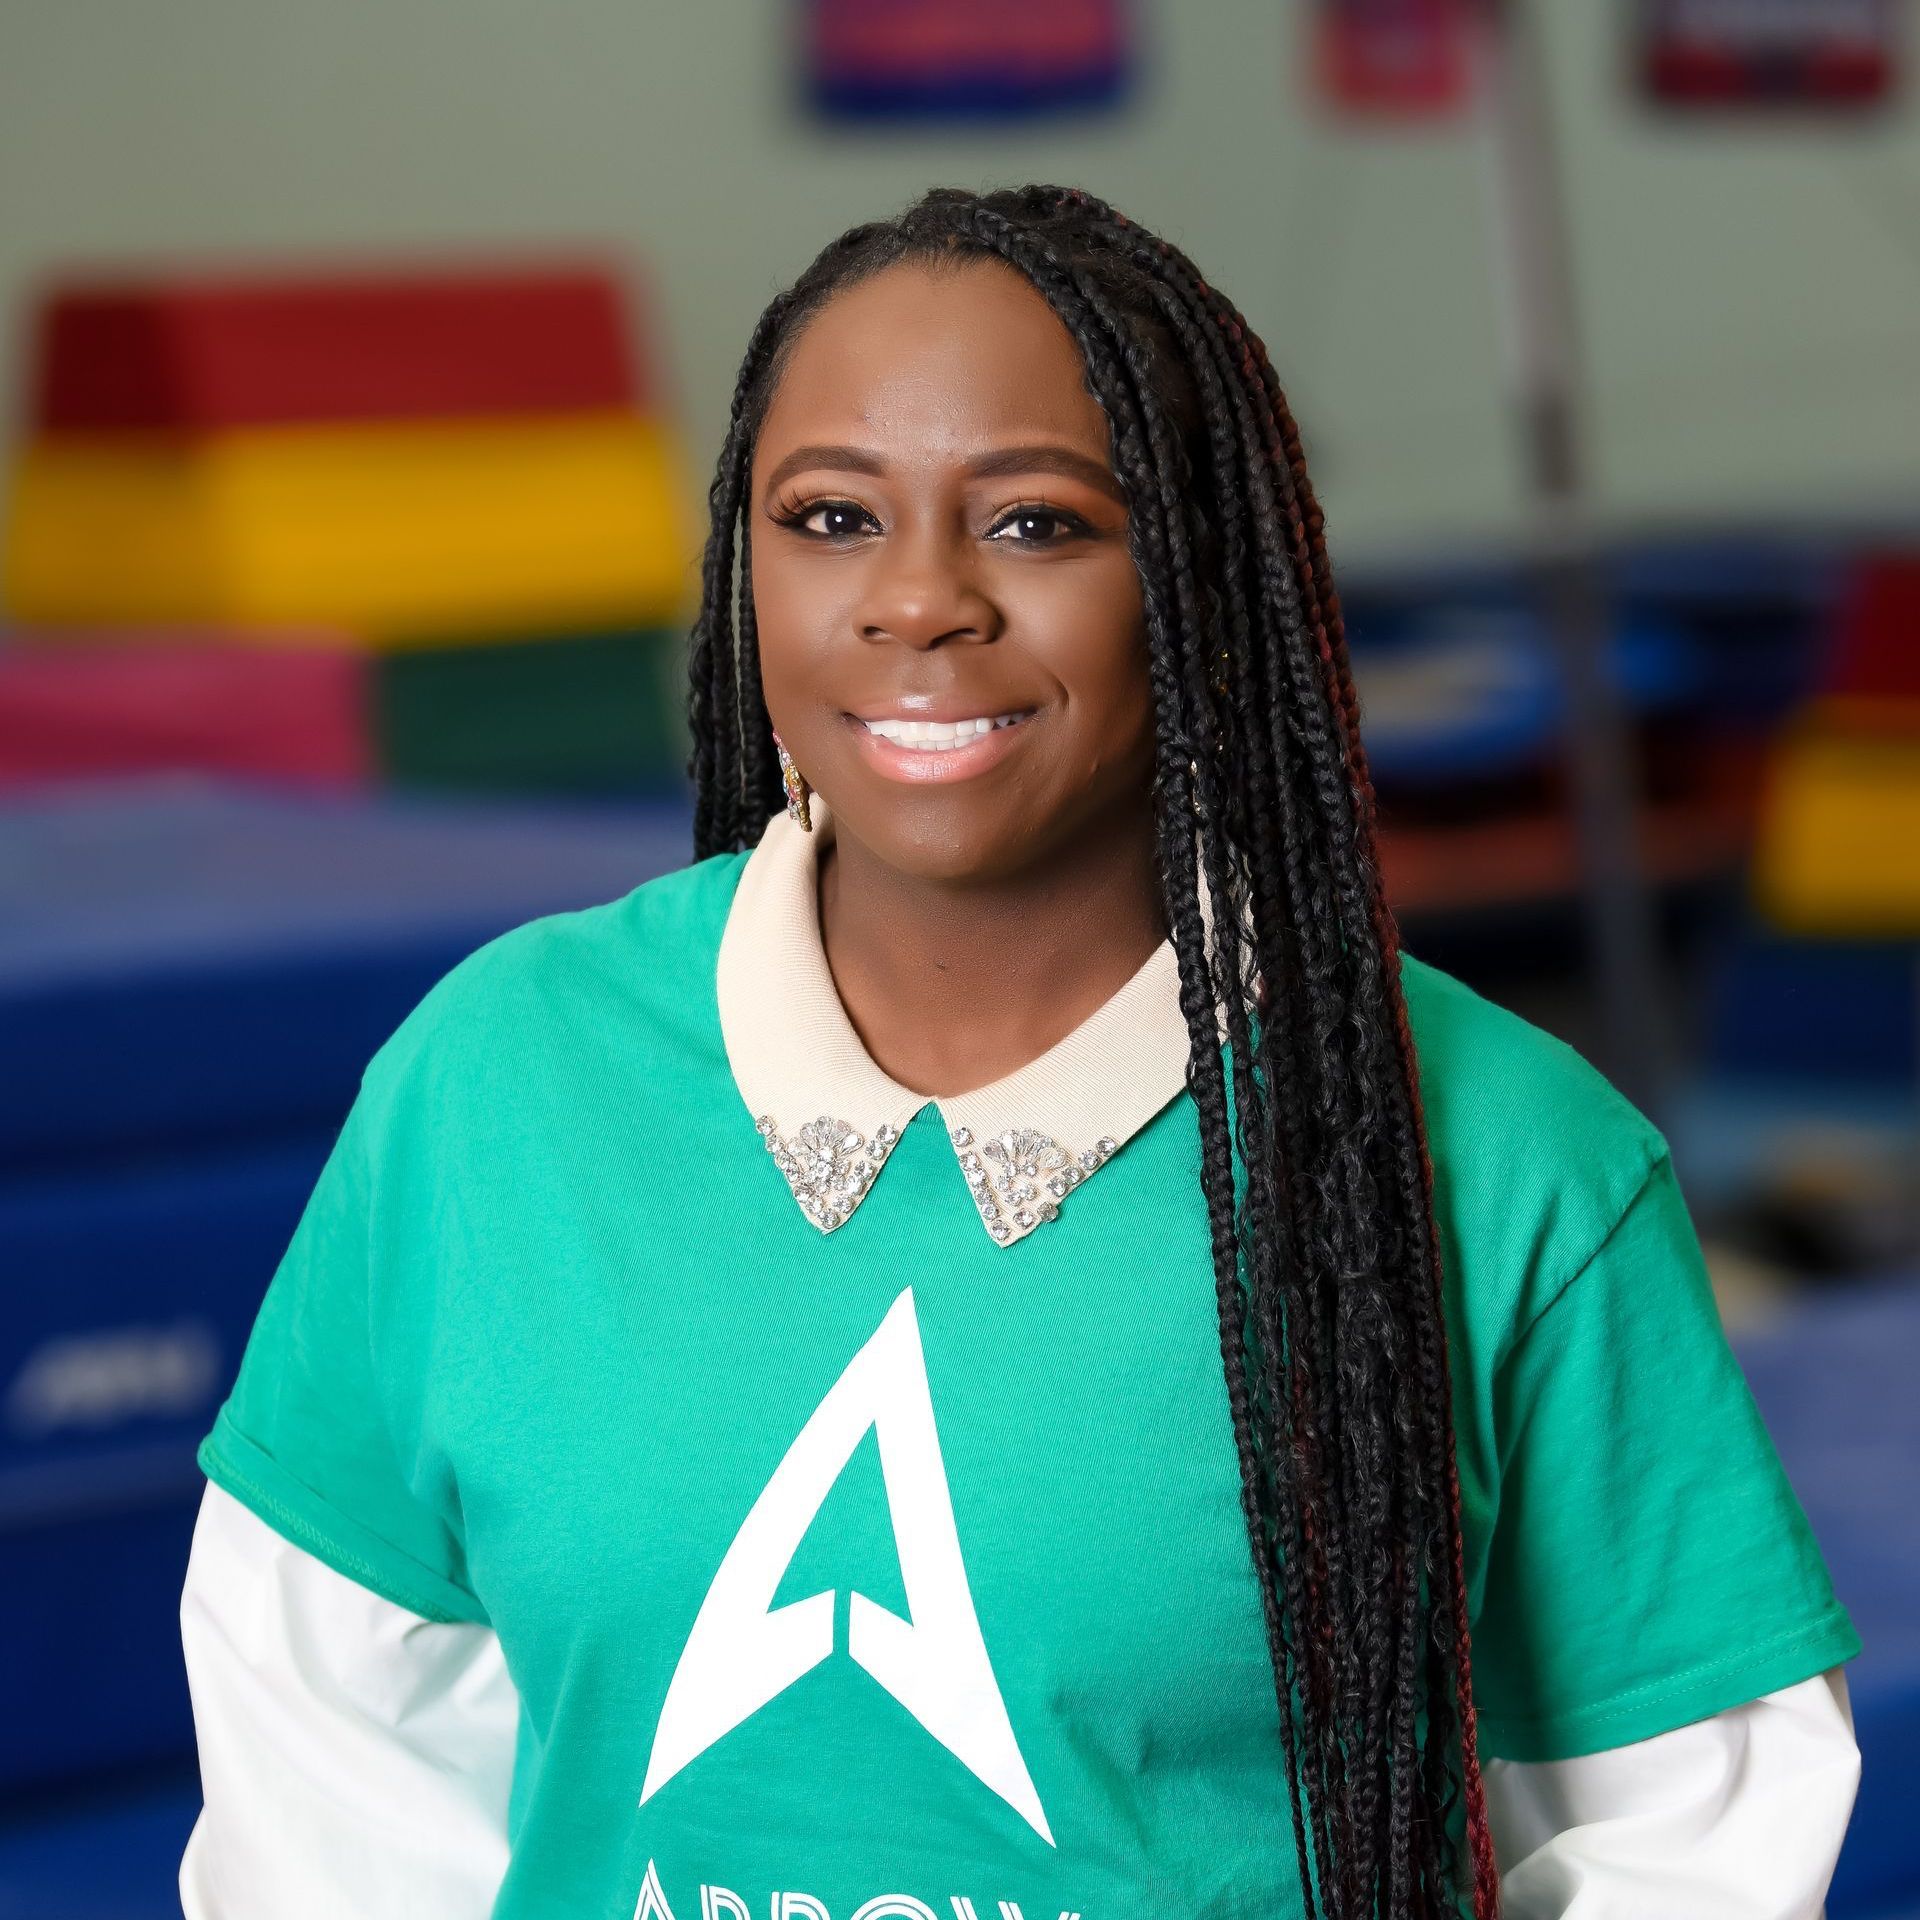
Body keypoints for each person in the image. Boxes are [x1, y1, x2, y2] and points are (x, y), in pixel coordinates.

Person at [177, 185, 1862, 1920]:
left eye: (1039, 525)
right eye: (830, 515)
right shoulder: (495, 1087)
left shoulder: (1502, 1164)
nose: (920, 602)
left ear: (1202, 582)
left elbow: (1693, 1849)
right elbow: (333, 1762)